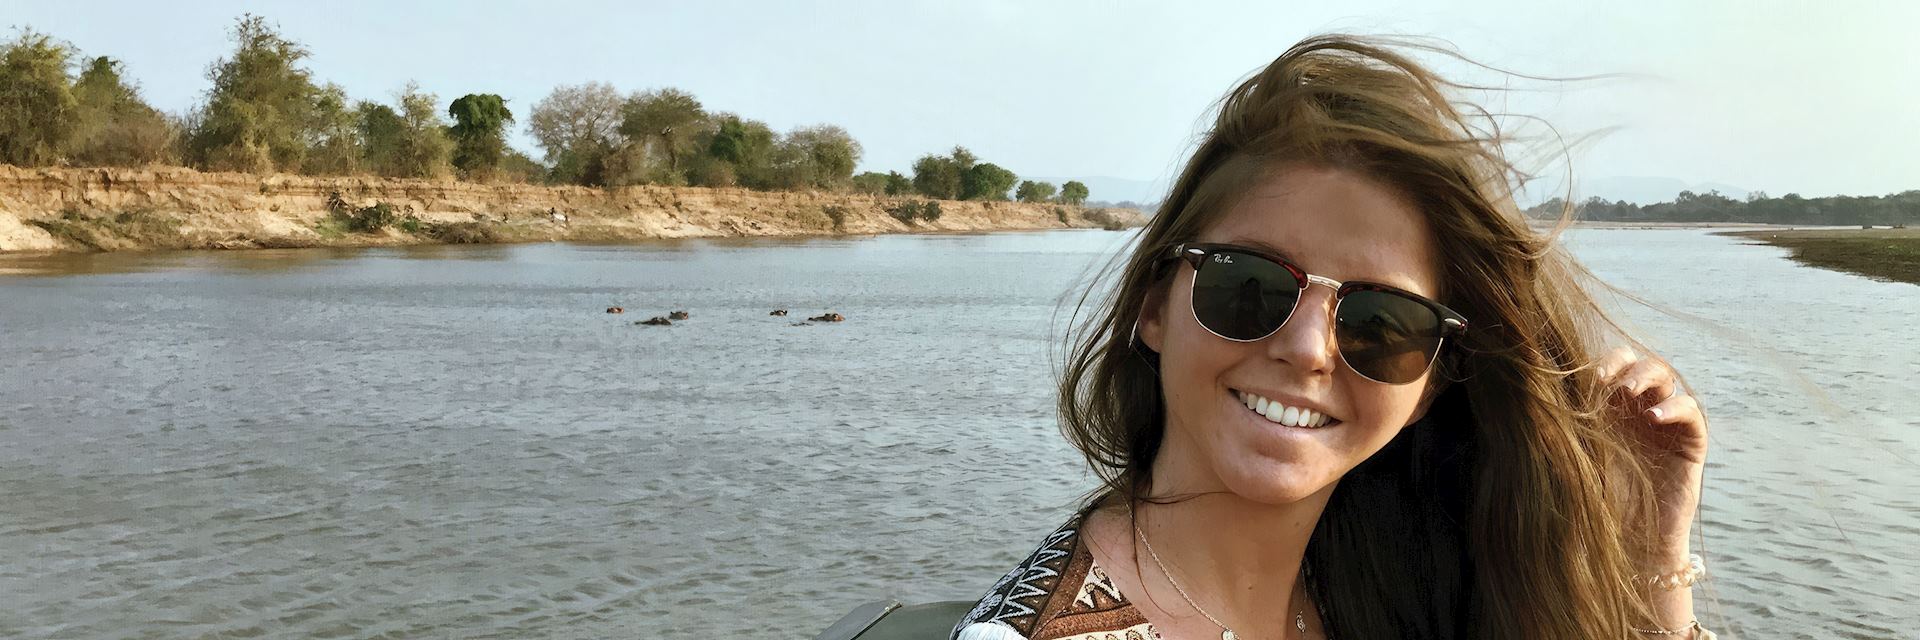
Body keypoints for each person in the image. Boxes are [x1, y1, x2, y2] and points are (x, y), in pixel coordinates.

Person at [951, 35, 1714, 640]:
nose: (1309, 349)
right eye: (1248, 285)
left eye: (1383, 324)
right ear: (1156, 306)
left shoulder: (1395, 583)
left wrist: (1650, 553)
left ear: (1429, 388)